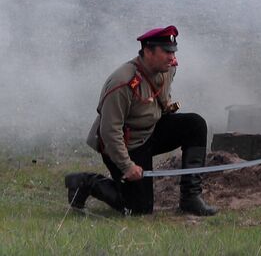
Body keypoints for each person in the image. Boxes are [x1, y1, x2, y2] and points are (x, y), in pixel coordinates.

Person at [63, 25, 218, 216]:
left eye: (173, 51)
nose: (172, 57)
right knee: (138, 209)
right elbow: (110, 132)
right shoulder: (122, 83)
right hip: (126, 143)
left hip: (150, 130)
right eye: (166, 52)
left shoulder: (169, 68)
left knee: (195, 125)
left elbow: (162, 96)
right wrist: (127, 166)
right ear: (148, 51)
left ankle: (191, 198)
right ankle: (85, 182)